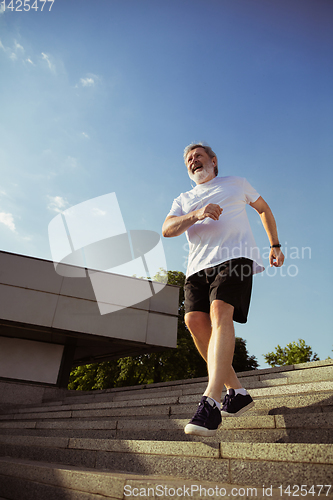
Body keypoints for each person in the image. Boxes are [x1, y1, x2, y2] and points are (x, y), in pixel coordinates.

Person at [162, 143, 285, 437]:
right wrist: (197, 213)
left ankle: (211, 401)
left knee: (220, 314)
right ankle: (237, 392)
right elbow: (167, 229)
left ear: (214, 161)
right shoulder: (184, 198)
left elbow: (263, 208)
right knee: (194, 322)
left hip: (236, 257)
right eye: (189, 160)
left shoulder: (236, 183)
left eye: (199, 156)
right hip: (197, 268)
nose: (193, 162)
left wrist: (275, 245)